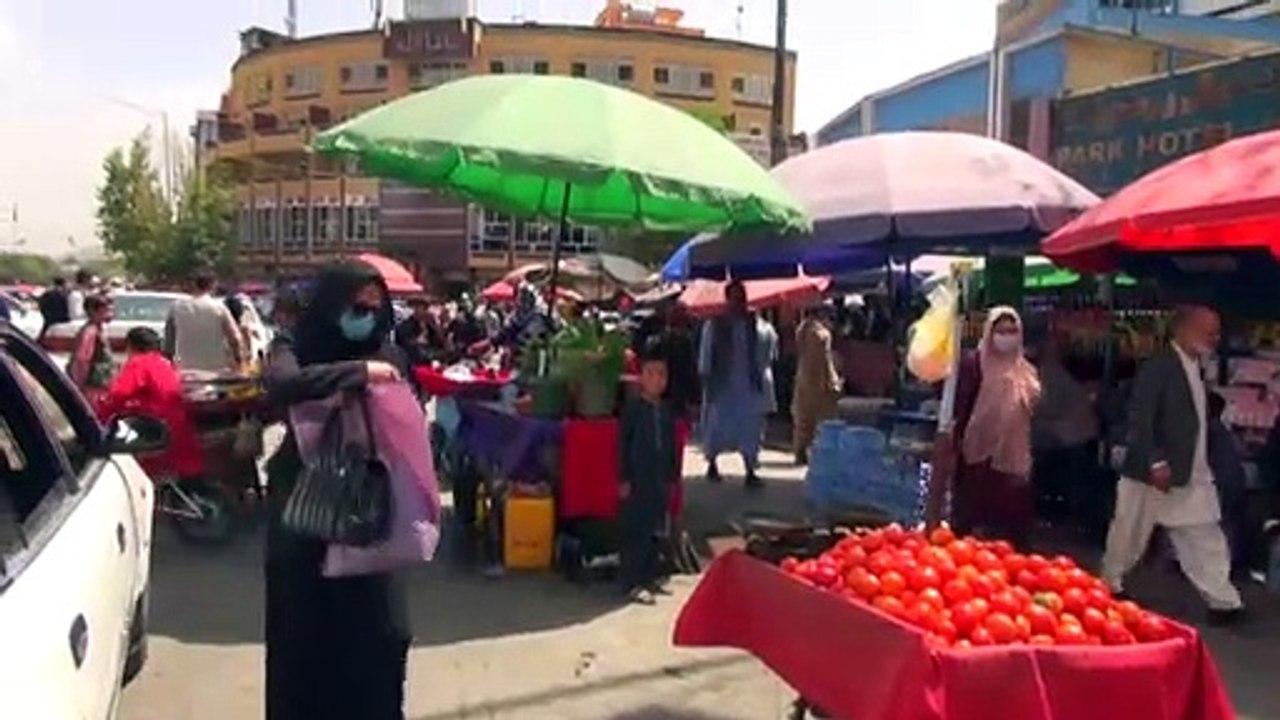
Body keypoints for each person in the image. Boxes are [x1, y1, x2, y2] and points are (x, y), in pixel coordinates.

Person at [262, 261, 411, 720]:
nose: (364, 315)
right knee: (303, 642)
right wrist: (359, 372)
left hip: (368, 509)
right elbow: (284, 384)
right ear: (330, 304)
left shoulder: (387, 349)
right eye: (354, 306)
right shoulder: (294, 344)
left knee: (381, 635)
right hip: (302, 513)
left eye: (373, 306)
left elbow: (395, 382)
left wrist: (371, 369)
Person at [1101, 305, 1244, 625]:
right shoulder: (1160, 367)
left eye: (1216, 332)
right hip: (1151, 473)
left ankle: (1223, 600)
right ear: (1185, 329)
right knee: (1129, 533)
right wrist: (1156, 460)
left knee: (1204, 535)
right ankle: (1111, 584)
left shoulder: (1195, 366)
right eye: (1209, 331)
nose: (1214, 338)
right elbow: (1140, 417)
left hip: (1189, 473)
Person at [953, 307, 1041, 547]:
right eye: (1000, 331)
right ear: (989, 333)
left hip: (1015, 458)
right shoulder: (973, 365)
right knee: (972, 522)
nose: (1006, 336)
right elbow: (961, 406)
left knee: (1012, 527)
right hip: (978, 454)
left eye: (1012, 330)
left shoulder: (1027, 371)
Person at [97, 327, 204, 482]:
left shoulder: (139, 363)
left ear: (131, 346)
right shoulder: (165, 363)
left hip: (154, 433)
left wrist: (99, 414)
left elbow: (118, 395)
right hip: (178, 429)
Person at [618, 338, 680, 605]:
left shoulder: (666, 411)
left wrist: (672, 475)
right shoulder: (632, 410)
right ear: (641, 378)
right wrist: (622, 477)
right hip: (637, 477)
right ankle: (632, 581)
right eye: (651, 374)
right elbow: (622, 446)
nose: (657, 380)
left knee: (657, 528)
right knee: (637, 530)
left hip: (659, 477)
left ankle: (649, 576)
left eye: (662, 374)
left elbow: (672, 446)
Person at [698, 280, 766, 488]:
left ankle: (750, 469)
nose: (739, 301)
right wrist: (706, 375)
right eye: (735, 296)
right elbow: (706, 352)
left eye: (742, 296)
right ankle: (712, 464)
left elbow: (760, 351)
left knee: (750, 427)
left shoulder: (753, 323)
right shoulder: (715, 324)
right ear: (728, 298)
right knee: (717, 425)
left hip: (747, 382)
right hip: (722, 383)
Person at [1031, 333, 1100, 526]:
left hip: (1073, 436)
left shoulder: (1050, 373)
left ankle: (1071, 517)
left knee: (1074, 482)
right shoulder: (1053, 371)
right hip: (1074, 434)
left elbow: (1048, 407)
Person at [165, 270, 246, 374]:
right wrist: (239, 360)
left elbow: (169, 341)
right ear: (213, 285)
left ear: (193, 284)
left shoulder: (176, 307)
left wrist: (170, 362)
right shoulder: (219, 307)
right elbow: (235, 339)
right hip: (217, 371)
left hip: (185, 370)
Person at [791, 305, 842, 465]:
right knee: (825, 417)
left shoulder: (801, 330)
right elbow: (826, 360)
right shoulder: (823, 334)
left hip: (803, 377)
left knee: (803, 417)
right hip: (820, 379)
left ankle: (800, 450)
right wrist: (834, 380)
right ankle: (822, 452)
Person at [67, 294, 117, 406]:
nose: (111, 314)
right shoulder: (90, 332)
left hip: (101, 386)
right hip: (93, 389)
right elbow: (81, 360)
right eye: (106, 310)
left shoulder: (99, 329)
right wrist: (79, 387)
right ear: (93, 311)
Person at [394, 298, 446, 366]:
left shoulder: (429, 325)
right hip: (412, 361)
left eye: (424, 308)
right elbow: (406, 344)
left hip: (430, 358)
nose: (422, 311)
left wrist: (435, 327)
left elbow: (440, 342)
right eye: (417, 307)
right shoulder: (405, 326)